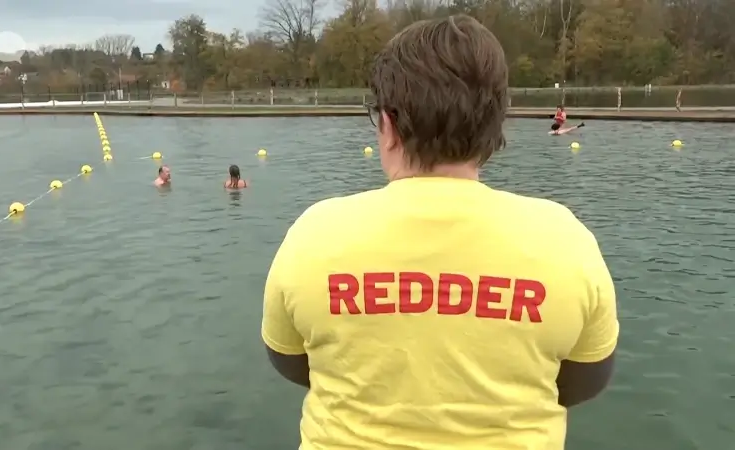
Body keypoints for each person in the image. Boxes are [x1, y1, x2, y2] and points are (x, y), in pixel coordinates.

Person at [261, 14, 617, 450]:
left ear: (387, 126)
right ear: (495, 126)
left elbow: (294, 363)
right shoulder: (565, 240)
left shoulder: (314, 235)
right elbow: (583, 382)